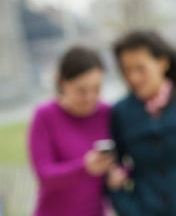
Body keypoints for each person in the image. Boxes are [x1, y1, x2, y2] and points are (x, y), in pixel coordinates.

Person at [108, 29, 176, 216]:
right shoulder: (121, 112)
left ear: (162, 62)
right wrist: (128, 207)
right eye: (126, 70)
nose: (133, 78)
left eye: (140, 68)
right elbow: (113, 170)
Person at [27, 45, 114, 216]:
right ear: (62, 84)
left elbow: (123, 159)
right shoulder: (45, 116)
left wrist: (118, 171)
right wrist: (84, 167)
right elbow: (45, 175)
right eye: (81, 91)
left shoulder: (106, 113)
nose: (90, 97)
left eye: (96, 89)